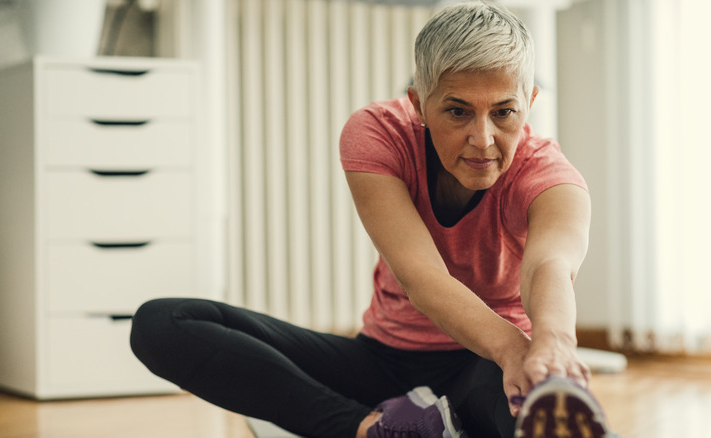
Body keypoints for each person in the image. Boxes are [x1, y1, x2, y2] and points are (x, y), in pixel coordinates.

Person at [130, 1, 614, 437]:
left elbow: (548, 267)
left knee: (529, 410)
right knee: (162, 323)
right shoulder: (378, 134)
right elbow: (423, 279)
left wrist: (550, 346)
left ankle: (444, 426)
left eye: (504, 112)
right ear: (418, 104)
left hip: (484, 366)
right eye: (457, 111)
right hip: (382, 364)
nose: (483, 139)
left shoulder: (551, 179)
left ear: (528, 103)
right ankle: (373, 430)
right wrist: (517, 351)